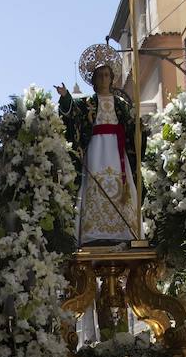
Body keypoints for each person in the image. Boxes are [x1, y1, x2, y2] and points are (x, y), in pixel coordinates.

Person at [55, 44, 138, 246]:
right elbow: (72, 115)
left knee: (121, 186)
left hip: (117, 151)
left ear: (112, 78)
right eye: (99, 75)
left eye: (107, 75)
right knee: (95, 185)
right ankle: (94, 230)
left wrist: (139, 127)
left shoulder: (121, 104)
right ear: (94, 80)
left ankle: (123, 229)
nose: (103, 79)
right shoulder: (88, 103)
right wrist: (66, 98)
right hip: (96, 150)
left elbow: (131, 125)